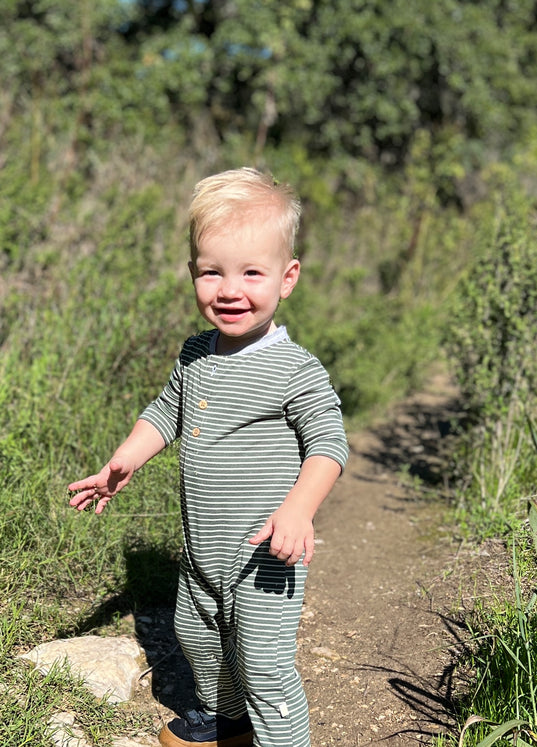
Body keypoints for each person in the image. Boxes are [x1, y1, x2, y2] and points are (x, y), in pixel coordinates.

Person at [68, 167, 348, 747]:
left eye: (251, 273)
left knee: (266, 668)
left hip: (265, 555)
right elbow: (167, 410)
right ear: (193, 273)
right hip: (202, 550)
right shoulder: (196, 353)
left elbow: (329, 443)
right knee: (196, 637)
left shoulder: (294, 368)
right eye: (212, 272)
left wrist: (299, 509)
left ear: (287, 278)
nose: (229, 290)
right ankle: (227, 721)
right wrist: (125, 459)